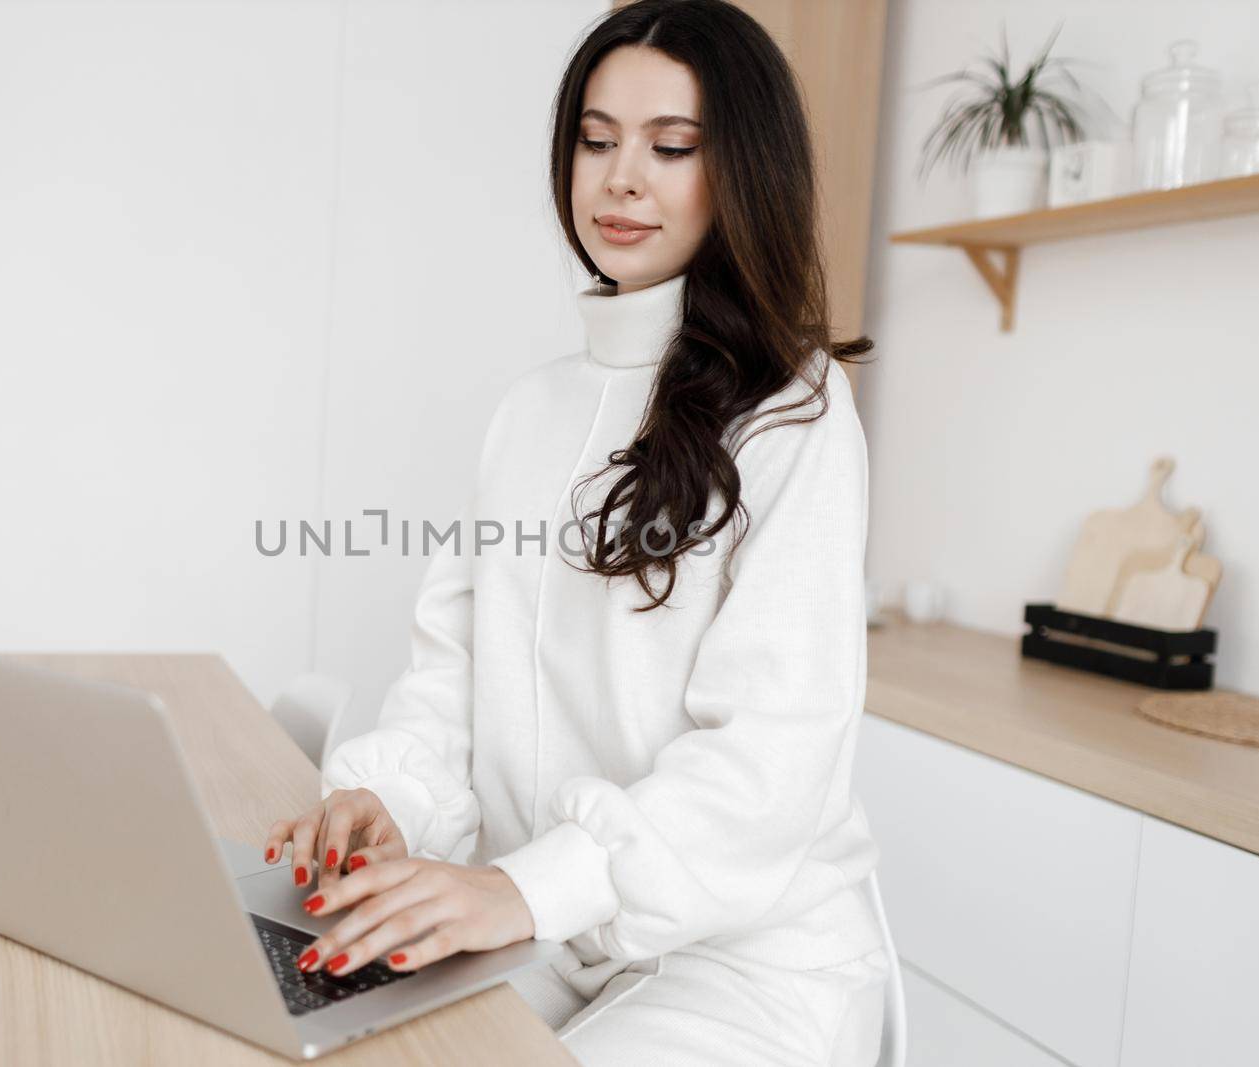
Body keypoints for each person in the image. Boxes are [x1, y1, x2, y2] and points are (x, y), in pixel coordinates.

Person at [261, 1, 889, 1062]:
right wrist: (388, 800)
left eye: (671, 146)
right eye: (595, 141)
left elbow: (765, 765)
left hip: (739, 963)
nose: (620, 178)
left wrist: (523, 886)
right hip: (548, 935)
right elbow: (450, 683)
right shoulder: (530, 410)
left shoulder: (797, 412)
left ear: (742, 169)